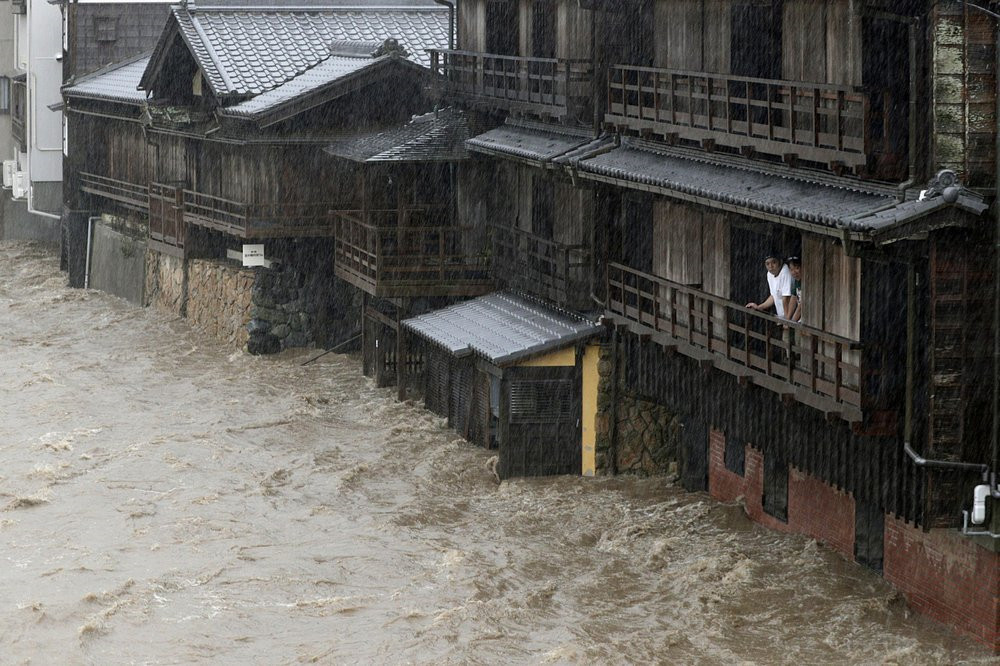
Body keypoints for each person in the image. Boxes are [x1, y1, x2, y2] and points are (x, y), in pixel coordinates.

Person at [746, 253, 793, 319]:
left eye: (774, 262)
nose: (770, 266)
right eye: (767, 264)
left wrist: (787, 320)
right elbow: (774, 296)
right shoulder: (769, 274)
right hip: (782, 317)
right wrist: (759, 307)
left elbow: (786, 298)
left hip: (792, 317)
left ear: (780, 262)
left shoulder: (785, 271)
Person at [786, 256, 802, 323]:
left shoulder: (807, 281)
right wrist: (787, 319)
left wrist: (792, 321)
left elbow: (802, 305)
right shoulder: (795, 281)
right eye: (791, 270)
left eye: (797, 268)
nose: (794, 272)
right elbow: (793, 298)